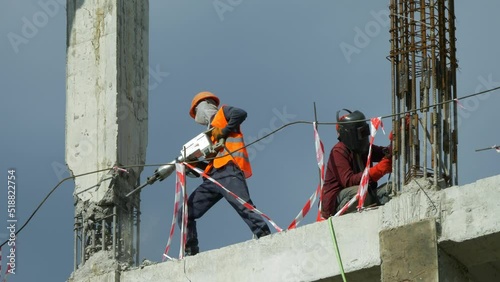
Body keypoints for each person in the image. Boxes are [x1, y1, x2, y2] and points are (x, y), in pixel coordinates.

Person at [180, 91, 271, 256]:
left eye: (197, 111)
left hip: (229, 170)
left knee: (244, 206)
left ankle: (265, 237)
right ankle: (191, 250)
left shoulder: (223, 114)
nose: (198, 116)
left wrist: (225, 131)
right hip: (213, 177)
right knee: (185, 213)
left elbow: (241, 113)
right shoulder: (208, 135)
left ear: (204, 105)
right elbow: (213, 159)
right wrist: (192, 164)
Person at [320, 109, 392, 218]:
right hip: (338, 205)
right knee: (361, 193)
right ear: (350, 133)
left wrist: (395, 141)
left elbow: (384, 153)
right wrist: (376, 171)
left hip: (367, 193)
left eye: (365, 131)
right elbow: (348, 181)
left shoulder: (363, 148)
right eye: (361, 132)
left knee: (392, 188)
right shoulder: (338, 151)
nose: (364, 136)